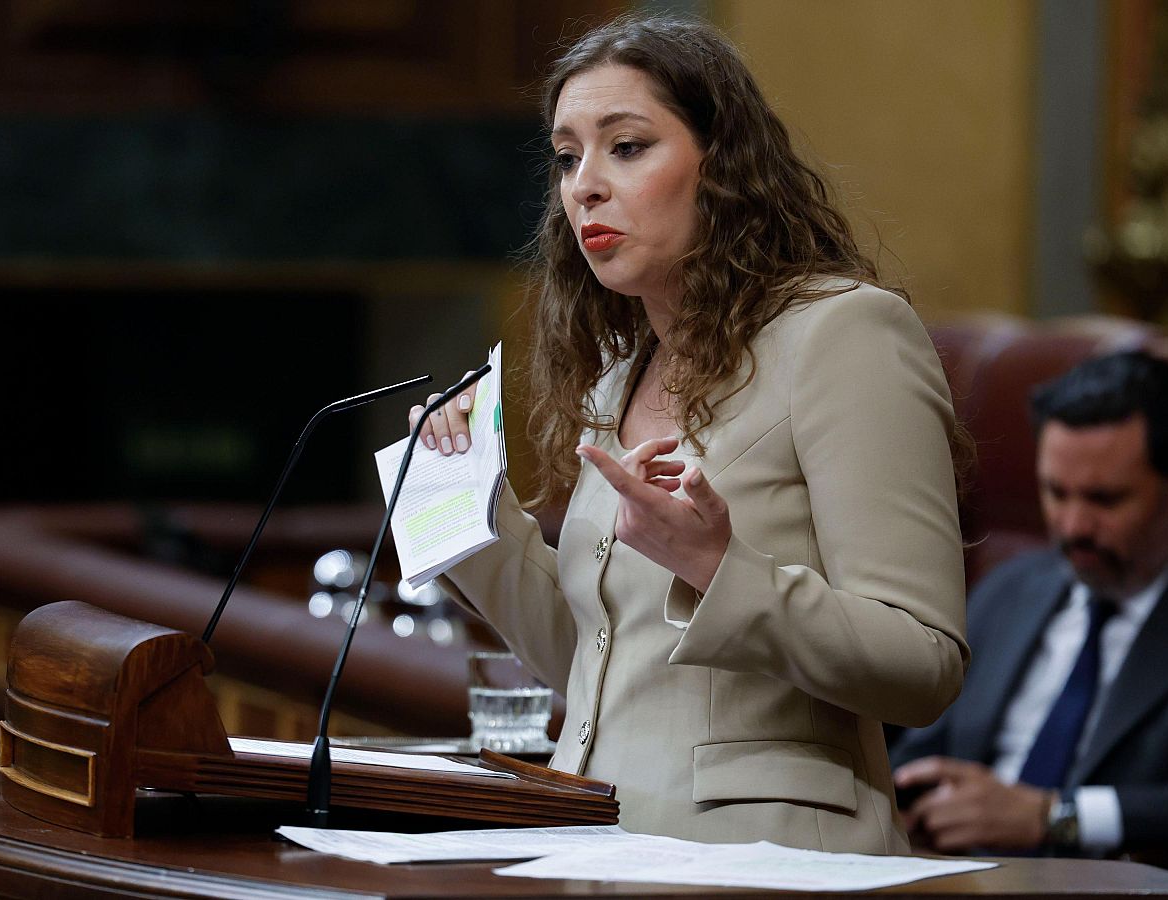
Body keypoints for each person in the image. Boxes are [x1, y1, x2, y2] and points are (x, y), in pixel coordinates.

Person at [408, 15, 968, 853]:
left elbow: (923, 666)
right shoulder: (618, 373)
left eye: (626, 147)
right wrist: (462, 513)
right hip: (592, 845)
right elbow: (595, 667)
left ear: (723, 167)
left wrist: (716, 568)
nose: (584, 186)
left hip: (771, 856)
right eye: (567, 157)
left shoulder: (846, 336)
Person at [891, 350, 1168, 881]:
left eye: (1104, 499)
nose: (1072, 526)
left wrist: (1055, 817)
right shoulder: (1008, 591)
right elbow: (921, 748)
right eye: (1055, 492)